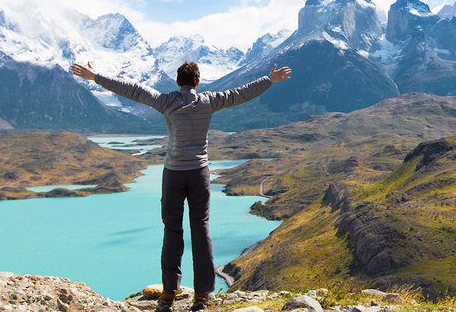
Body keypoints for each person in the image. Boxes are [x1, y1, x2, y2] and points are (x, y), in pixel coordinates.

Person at [70, 61, 291, 311]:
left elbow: (132, 89)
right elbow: (240, 94)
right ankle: (202, 296)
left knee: (172, 231)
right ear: (198, 82)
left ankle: (168, 294)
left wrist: (96, 76)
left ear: (177, 82)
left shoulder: (166, 102)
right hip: (199, 174)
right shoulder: (209, 100)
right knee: (201, 230)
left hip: (173, 174)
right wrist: (269, 80)